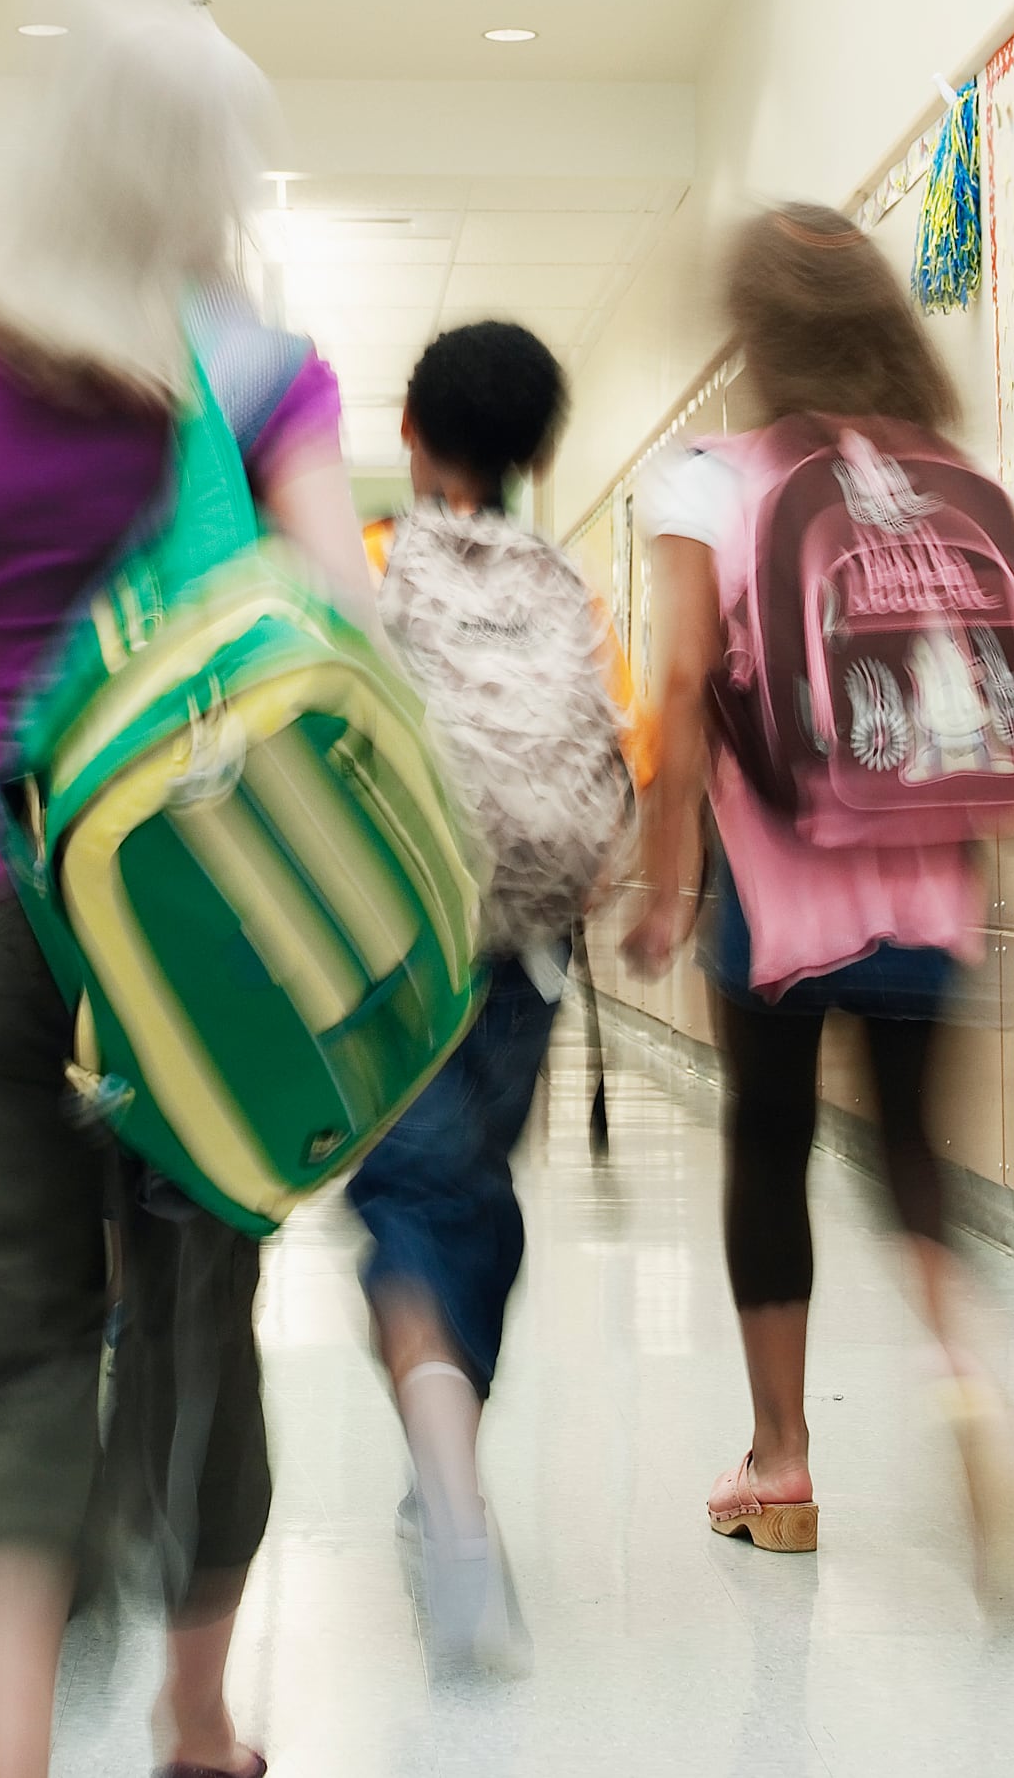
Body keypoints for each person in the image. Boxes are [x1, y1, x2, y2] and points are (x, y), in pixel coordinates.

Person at [0, 0, 363, 1778]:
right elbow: (342, 644)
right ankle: (199, 1720)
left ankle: (1, 1737)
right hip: (199, 941)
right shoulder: (262, 380)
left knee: (15, 1344)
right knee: (205, 1324)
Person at [621, 206, 1014, 1613]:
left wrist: (661, 873)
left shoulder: (706, 478)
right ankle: (963, 1376)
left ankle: (780, 1461)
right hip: (934, 874)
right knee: (917, 1158)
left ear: (751, 334)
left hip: (777, 884)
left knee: (768, 1146)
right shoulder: (951, 470)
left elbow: (682, 686)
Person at [347, 321, 632, 1673]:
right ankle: (443, 1469)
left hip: (393, 947)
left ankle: (447, 1489)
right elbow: (607, 755)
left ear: (409, 430)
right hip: (528, 947)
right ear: (535, 456)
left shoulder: (371, 570)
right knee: (476, 1201)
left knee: (405, 1198)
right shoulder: (570, 585)